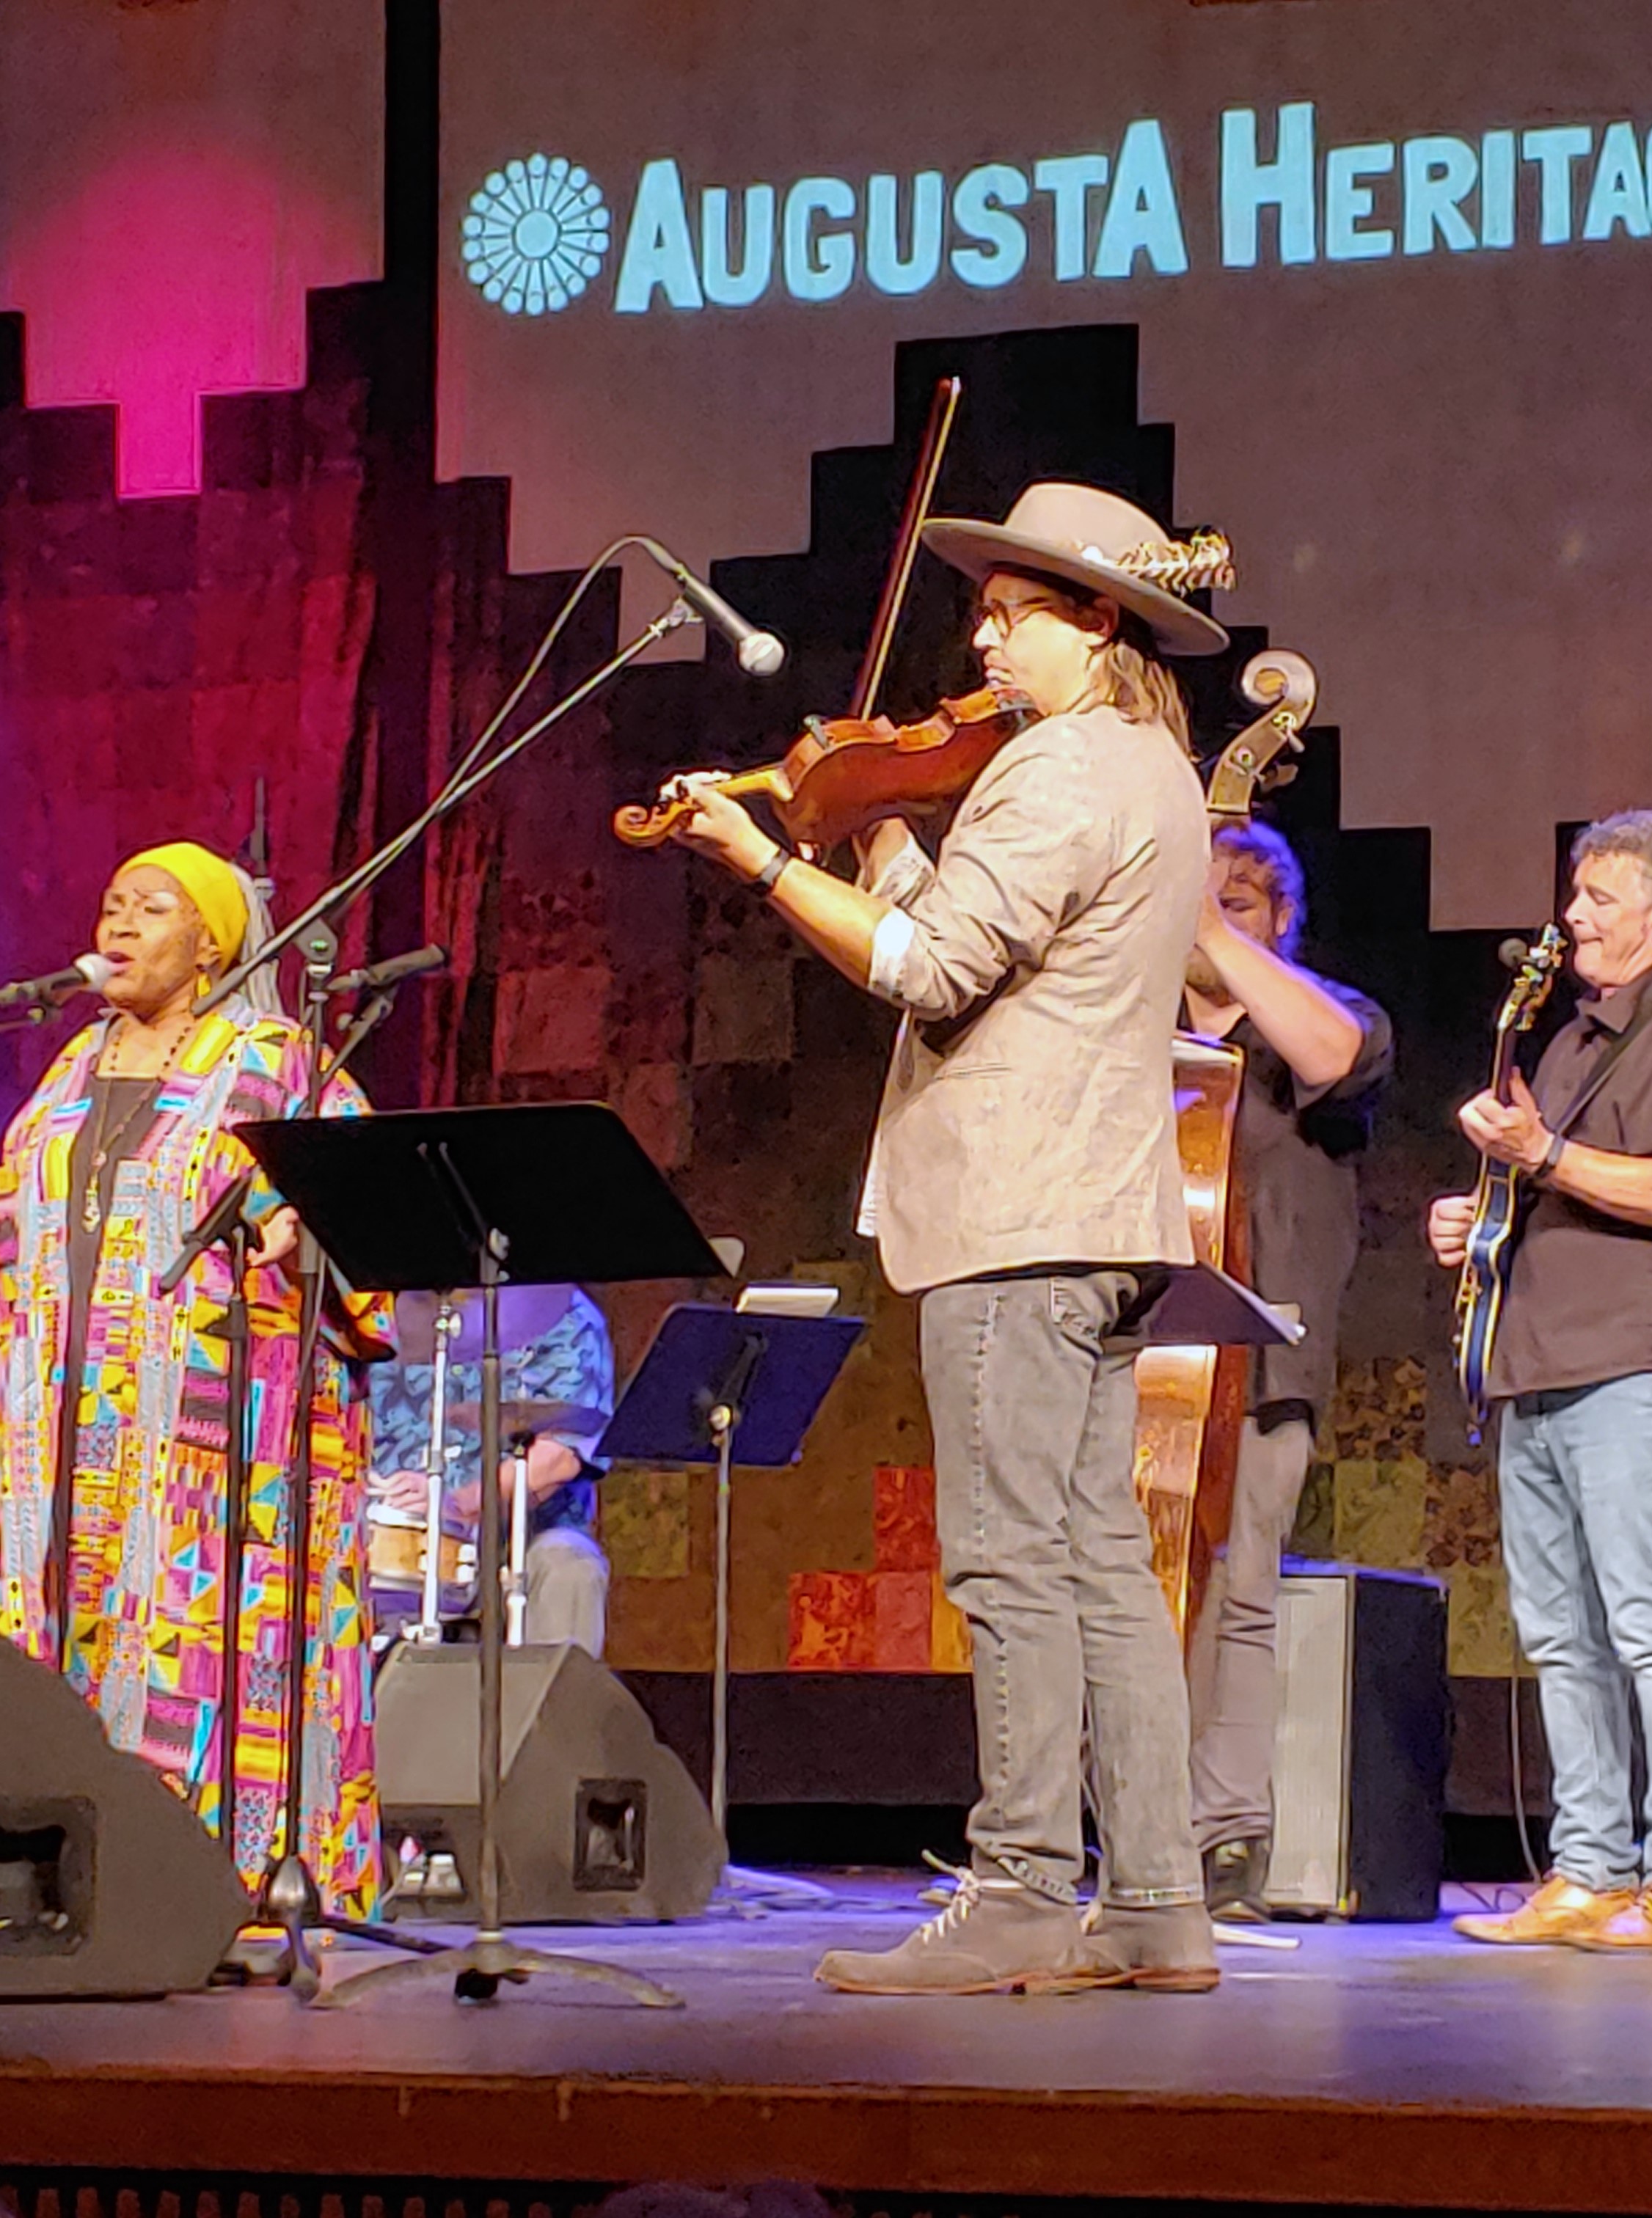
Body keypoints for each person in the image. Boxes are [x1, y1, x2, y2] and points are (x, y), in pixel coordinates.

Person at [654, 482, 1224, 1994]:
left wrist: (766, 862)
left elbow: (924, 968)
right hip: (1099, 1212)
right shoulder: (1152, 772)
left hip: (1015, 1216)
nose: (981, 638)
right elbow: (985, 945)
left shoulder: (1053, 770)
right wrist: (882, 832)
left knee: (1010, 1565)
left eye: (1012, 611)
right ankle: (1155, 1903)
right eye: (982, 610)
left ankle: (1022, 1888)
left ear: (1097, 621)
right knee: (1100, 1565)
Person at [0, 841, 392, 1913]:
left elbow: (365, 1204)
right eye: (112, 905)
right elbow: (32, 1201)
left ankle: (218, 1890)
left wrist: (306, 1231)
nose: (120, 925)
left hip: (212, 1439)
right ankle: (71, 1895)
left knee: (203, 1654)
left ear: (212, 944)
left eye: (152, 908)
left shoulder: (278, 1063)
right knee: (56, 1647)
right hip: (63, 1427)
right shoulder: (76, 1063)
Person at [1425, 810, 1652, 1953]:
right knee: (1562, 1638)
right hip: (1536, 1365)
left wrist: (1545, 1156)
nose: (1571, 917)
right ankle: (1590, 1872)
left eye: (1598, 899)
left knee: (1650, 1626)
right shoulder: (1572, 1041)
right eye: (1575, 895)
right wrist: (1479, 1218)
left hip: (1632, 1365)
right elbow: (1550, 1186)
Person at [1180, 819, 1393, 1919]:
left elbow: (1332, 1062)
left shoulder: (1331, 1015)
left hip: (1263, 1364)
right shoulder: (1134, 1029)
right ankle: (1122, 1820)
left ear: (1281, 919)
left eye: (1240, 902)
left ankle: (1226, 1833)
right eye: (1197, 897)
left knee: (1240, 1593)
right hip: (1140, 1358)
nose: (1211, 919)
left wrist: (1219, 939)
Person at [363, 1284, 613, 1655]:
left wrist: (457, 1501)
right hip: (391, 1539)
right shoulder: (371, 1318)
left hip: (518, 1543)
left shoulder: (566, 1316)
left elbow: (561, 1456)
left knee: (569, 1565)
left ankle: (549, 1693)